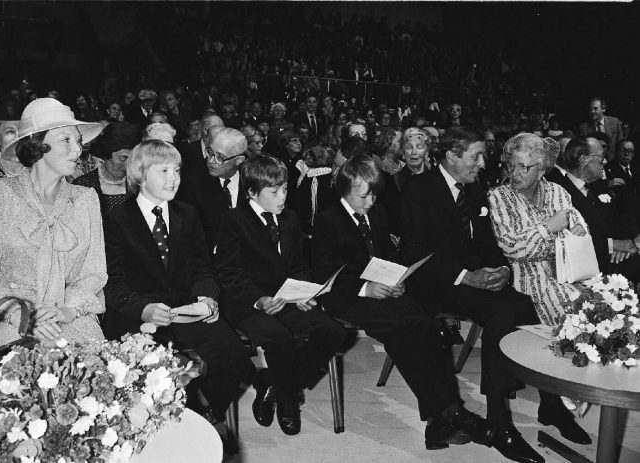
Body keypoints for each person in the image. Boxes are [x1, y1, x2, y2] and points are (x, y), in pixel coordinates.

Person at [400, 127, 588, 463]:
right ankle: (500, 423)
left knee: (524, 303)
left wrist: (501, 269)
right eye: (476, 156)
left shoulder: (473, 190)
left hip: (473, 279)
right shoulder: (417, 188)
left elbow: (487, 243)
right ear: (452, 156)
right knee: (502, 312)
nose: (483, 163)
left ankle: (550, 403)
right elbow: (413, 252)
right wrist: (464, 276)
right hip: (434, 284)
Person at [313, 154, 495, 450]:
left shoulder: (379, 213)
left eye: (374, 194)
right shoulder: (328, 219)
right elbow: (323, 274)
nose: (370, 201)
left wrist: (397, 280)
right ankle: (450, 413)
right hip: (347, 296)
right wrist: (366, 288)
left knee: (426, 325)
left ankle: (440, 422)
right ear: (345, 190)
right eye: (363, 195)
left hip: (383, 291)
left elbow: (388, 257)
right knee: (402, 330)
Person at [102, 139, 252, 441]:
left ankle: (202, 410)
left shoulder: (188, 213)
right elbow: (112, 284)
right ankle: (180, 418)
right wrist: (142, 308)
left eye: (177, 170)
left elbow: (203, 268)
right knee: (151, 379)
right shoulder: (116, 219)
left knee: (236, 360)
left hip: (186, 309)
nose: (174, 179)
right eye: (164, 171)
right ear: (141, 175)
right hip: (140, 316)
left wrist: (207, 295)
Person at [0, 97, 106, 361]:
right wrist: (21, 316)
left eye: (79, 141)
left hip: (65, 318)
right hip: (5, 318)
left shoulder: (86, 199)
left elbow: (93, 273)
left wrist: (67, 309)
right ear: (38, 144)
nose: (78, 150)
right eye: (66, 140)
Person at [214, 155, 346, 436]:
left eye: (285, 189)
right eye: (274, 192)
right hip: (247, 302)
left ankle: (274, 381)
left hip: (286, 298)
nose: (283, 196)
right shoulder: (234, 220)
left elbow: (298, 264)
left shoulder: (290, 218)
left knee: (333, 332)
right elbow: (229, 273)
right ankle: (288, 400)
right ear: (252, 192)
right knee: (279, 339)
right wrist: (258, 299)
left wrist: (304, 291)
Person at [488, 133, 590, 326]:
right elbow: (512, 246)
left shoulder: (557, 191)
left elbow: (579, 224)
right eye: (511, 165)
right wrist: (549, 227)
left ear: (541, 170)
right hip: (533, 280)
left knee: (607, 302)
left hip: (570, 272)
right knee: (577, 313)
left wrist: (579, 229)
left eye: (523, 167)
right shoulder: (498, 196)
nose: (515, 173)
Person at [551, 137, 640, 283]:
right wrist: (613, 245)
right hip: (587, 267)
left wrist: (625, 245)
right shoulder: (559, 193)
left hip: (617, 258)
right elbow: (566, 242)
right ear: (583, 159)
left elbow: (619, 218)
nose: (605, 162)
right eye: (601, 157)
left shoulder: (599, 186)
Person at [181, 127, 246, 255]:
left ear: (239, 160)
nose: (210, 161)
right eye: (210, 152)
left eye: (220, 157)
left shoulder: (253, 181)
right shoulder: (192, 182)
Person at [73, 121, 141, 215]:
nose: (130, 163)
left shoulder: (139, 185)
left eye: (134, 158)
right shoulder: (83, 185)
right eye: (124, 158)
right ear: (107, 154)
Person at [579, 97, 624, 162]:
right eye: (590, 109)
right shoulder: (584, 127)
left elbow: (621, 144)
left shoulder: (615, 122)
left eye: (595, 109)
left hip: (613, 162)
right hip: (593, 162)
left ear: (603, 109)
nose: (592, 111)